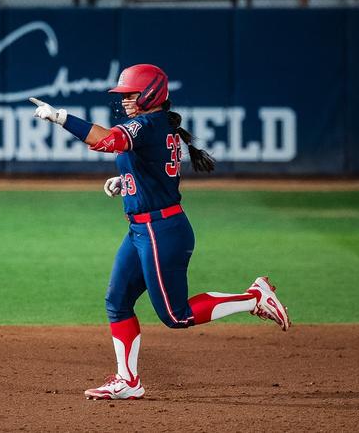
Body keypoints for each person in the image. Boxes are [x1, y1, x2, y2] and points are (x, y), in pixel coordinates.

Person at [29, 64, 290, 401]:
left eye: (131, 94)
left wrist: (62, 118)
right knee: (117, 302)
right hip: (144, 228)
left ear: (151, 93)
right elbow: (153, 172)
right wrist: (126, 184)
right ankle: (128, 381)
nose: (124, 100)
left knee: (176, 316)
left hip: (160, 230)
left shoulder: (147, 123)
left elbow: (106, 142)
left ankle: (254, 297)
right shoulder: (155, 125)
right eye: (123, 95)